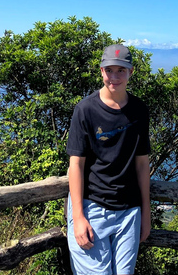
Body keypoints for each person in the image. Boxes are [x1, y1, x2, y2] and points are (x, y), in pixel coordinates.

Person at [66, 44, 151, 275]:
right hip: (92, 207)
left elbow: (142, 164)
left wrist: (145, 212)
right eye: (109, 70)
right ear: (101, 71)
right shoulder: (85, 110)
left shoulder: (140, 110)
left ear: (131, 72)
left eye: (121, 70)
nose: (114, 77)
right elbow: (76, 164)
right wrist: (78, 217)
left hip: (129, 210)